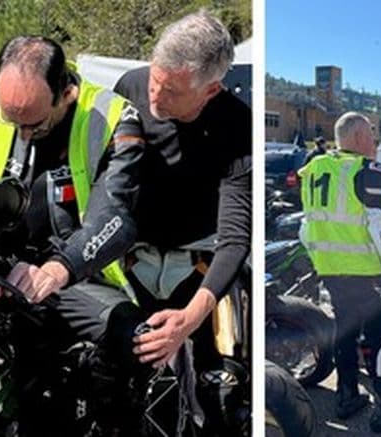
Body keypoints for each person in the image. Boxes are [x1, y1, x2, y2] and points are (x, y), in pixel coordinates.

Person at [0, 35, 152, 434]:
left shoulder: (113, 118)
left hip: (67, 273)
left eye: (34, 123)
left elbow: (117, 217)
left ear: (66, 92)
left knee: (134, 339)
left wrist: (59, 268)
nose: (22, 135)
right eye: (12, 120)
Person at [113, 10, 252, 434]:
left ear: (210, 90)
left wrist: (190, 317)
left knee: (222, 392)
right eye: (154, 79)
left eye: (170, 90)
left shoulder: (235, 123)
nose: (155, 97)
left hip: (201, 265)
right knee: (126, 384)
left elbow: (234, 237)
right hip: (135, 261)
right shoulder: (131, 86)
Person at [300, 111, 381, 433]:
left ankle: (346, 396)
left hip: (331, 270)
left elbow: (307, 225)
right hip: (370, 272)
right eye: (371, 133)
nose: (375, 140)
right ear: (358, 138)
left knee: (345, 333)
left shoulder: (314, 168)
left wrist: (322, 261)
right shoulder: (370, 172)